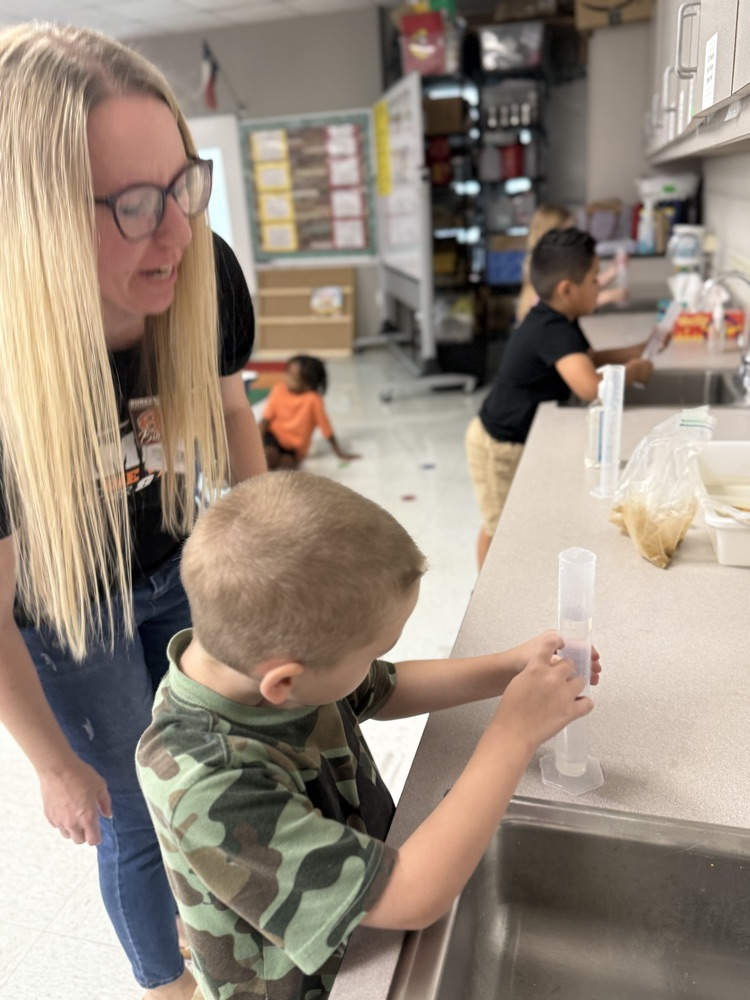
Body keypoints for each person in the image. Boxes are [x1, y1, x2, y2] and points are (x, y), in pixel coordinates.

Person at [0, 22, 266, 1000]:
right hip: (70, 612)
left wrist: (273, 559)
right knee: (133, 814)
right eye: (135, 204)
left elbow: (237, 417)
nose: (179, 232)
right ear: (32, 219)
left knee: (210, 768)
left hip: (180, 561)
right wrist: (52, 764)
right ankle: (168, 985)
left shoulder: (202, 272)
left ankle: (218, 930)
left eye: (183, 187)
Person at [135, 471, 601, 1000]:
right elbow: (413, 893)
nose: (374, 664)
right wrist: (514, 731)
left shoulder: (255, 662)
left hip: (360, 921)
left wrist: (510, 668)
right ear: (284, 680)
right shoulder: (207, 781)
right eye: (369, 652)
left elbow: (389, 686)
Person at [466, 226, 655, 569]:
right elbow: (589, 386)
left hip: (513, 438)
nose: (600, 286)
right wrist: (635, 372)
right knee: (497, 525)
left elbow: (590, 359)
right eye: (595, 279)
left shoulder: (559, 319)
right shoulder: (551, 329)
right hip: (498, 445)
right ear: (567, 289)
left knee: (507, 520)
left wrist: (638, 349)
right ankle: (483, 591)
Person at [515, 203, 628, 325]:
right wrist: (607, 297)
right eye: (568, 234)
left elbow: (581, 285)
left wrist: (613, 271)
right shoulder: (544, 267)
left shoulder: (545, 261)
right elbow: (563, 301)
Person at [259, 354, 360, 469]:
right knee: (269, 457)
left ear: (308, 385)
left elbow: (327, 429)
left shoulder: (313, 400)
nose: (286, 379)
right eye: (287, 373)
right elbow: (264, 421)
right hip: (273, 437)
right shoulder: (278, 390)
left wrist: (340, 453)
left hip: (294, 448)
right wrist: (257, 446)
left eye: (292, 378)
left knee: (287, 467)